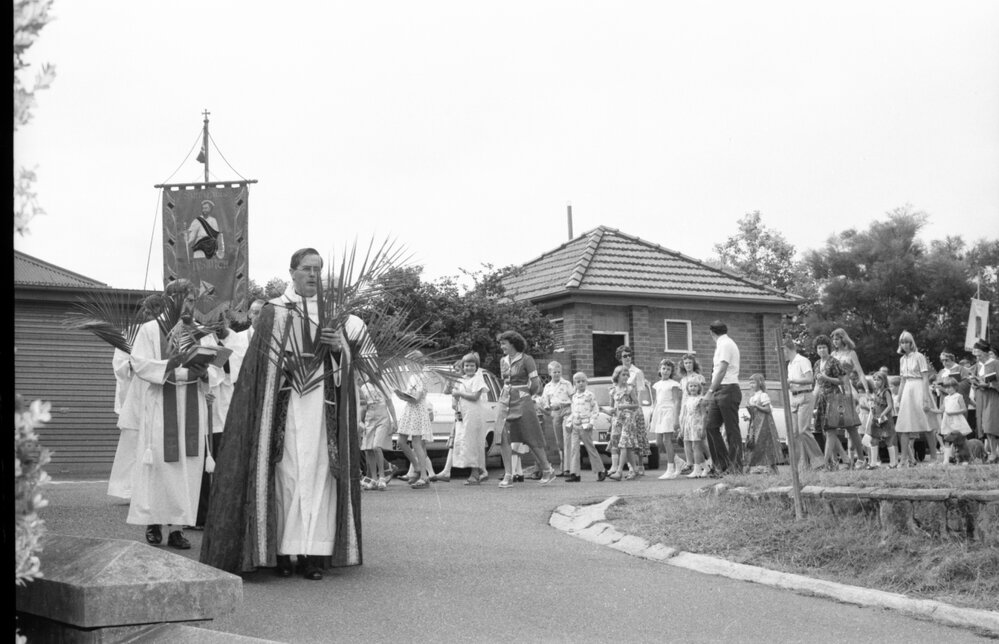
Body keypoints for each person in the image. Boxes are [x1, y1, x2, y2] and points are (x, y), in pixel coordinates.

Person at [200, 248, 367, 580]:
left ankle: (313, 554)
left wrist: (338, 348)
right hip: (284, 406)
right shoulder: (274, 311)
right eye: (306, 268)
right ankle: (282, 550)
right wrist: (285, 367)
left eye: (318, 269)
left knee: (320, 473)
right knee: (286, 475)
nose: (313, 275)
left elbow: (349, 366)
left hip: (322, 407)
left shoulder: (333, 314)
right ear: (292, 272)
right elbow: (258, 368)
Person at [122, 279, 222, 550]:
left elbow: (217, 368)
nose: (188, 305)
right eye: (184, 300)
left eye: (191, 300)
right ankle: (153, 523)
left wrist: (206, 372)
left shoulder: (200, 330)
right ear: (169, 300)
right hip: (161, 401)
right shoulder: (150, 329)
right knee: (159, 466)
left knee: (186, 468)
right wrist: (171, 363)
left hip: (191, 401)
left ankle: (177, 528)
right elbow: (139, 363)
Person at [495, 331, 558, 488]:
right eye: (501, 343)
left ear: (513, 343)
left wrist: (525, 395)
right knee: (502, 435)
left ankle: (547, 469)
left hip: (522, 400)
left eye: (504, 343)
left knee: (530, 435)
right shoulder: (503, 361)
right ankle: (508, 474)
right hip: (505, 399)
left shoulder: (527, 359)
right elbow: (505, 381)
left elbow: (535, 383)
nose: (501, 346)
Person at [704, 321, 743, 475]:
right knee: (711, 426)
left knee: (731, 429)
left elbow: (722, 369)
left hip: (729, 388)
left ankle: (736, 467)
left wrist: (710, 390)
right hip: (720, 390)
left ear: (711, 333)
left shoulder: (726, 344)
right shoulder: (721, 344)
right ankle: (723, 464)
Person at [895, 331, 939, 467]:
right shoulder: (902, 359)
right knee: (904, 425)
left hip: (920, 388)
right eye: (902, 342)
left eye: (907, 342)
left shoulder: (919, 357)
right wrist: (898, 398)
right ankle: (903, 459)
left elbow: (925, 377)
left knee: (927, 425)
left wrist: (926, 398)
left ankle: (933, 457)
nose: (905, 344)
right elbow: (902, 380)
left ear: (911, 342)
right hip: (907, 389)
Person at [830, 328, 869, 467]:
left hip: (847, 389)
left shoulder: (851, 353)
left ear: (843, 339)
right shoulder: (832, 354)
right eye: (833, 339)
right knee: (832, 426)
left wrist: (867, 390)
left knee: (851, 426)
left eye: (837, 338)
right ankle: (837, 459)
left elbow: (860, 372)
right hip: (834, 390)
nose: (835, 341)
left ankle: (861, 458)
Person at [783, 338, 824, 471]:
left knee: (803, 430)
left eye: (781, 351)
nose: (780, 355)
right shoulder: (790, 364)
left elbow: (809, 379)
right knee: (795, 433)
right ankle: (802, 466)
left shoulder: (802, 360)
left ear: (786, 349)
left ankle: (819, 461)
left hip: (805, 396)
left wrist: (791, 381)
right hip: (794, 398)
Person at [450, 352, 490, 485]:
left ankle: (475, 473)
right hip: (464, 414)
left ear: (476, 367)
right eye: (466, 365)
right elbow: (454, 394)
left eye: (472, 365)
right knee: (465, 442)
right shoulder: (461, 379)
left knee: (474, 443)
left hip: (474, 415)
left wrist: (459, 393)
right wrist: (455, 397)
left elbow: (475, 396)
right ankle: (478, 472)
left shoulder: (478, 379)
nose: (469, 368)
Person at [812, 335, 851, 470]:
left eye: (823, 347)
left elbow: (841, 380)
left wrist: (826, 377)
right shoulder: (817, 364)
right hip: (822, 399)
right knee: (828, 432)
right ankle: (845, 459)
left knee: (830, 431)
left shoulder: (834, 362)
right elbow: (817, 385)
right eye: (819, 348)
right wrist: (814, 403)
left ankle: (827, 462)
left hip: (833, 397)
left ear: (828, 348)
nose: (821, 350)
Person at [396, 359, 435, 489]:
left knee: (417, 442)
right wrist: (402, 395)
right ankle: (417, 466)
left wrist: (404, 396)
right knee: (401, 441)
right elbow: (410, 396)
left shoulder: (422, 377)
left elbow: (417, 398)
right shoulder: (412, 377)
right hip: (409, 409)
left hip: (418, 410)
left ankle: (424, 476)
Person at [564, 372, 607, 482]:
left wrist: (591, 423)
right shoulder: (574, 397)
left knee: (590, 448)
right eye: (578, 382)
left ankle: (600, 470)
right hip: (575, 425)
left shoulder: (589, 395)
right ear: (575, 383)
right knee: (574, 449)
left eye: (583, 381)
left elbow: (595, 410)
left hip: (585, 426)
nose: (581, 383)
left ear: (586, 382)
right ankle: (575, 473)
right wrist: (569, 422)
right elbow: (573, 412)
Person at [607, 365, 645, 481]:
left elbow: (636, 405)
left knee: (624, 444)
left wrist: (625, 406)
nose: (626, 377)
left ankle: (619, 471)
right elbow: (612, 407)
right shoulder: (612, 390)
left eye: (627, 375)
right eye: (623, 375)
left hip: (628, 419)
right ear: (617, 376)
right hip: (617, 420)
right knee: (626, 447)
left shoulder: (629, 389)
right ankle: (635, 470)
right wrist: (608, 412)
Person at [616, 345, 649, 475]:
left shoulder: (637, 372)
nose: (628, 358)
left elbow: (640, 392)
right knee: (625, 438)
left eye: (629, 355)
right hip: (623, 410)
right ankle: (631, 466)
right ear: (620, 358)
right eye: (625, 356)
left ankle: (640, 465)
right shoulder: (618, 371)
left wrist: (637, 409)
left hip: (634, 408)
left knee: (638, 436)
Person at [541, 361, 573, 477]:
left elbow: (573, 397)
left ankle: (568, 468)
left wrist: (572, 410)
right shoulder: (548, 387)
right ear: (550, 373)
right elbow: (544, 401)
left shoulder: (567, 384)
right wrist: (549, 409)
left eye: (559, 372)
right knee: (559, 442)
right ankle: (563, 466)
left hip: (567, 411)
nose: (557, 374)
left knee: (567, 438)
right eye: (554, 372)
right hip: (555, 413)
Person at [744, 373, 782, 474]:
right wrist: (748, 417)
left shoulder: (763, 395)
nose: (751, 385)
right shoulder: (753, 397)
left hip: (764, 425)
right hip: (756, 426)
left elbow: (768, 409)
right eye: (750, 383)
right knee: (754, 444)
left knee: (765, 444)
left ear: (759, 383)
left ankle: (770, 466)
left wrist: (757, 407)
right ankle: (753, 466)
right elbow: (755, 414)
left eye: (753, 383)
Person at [651, 359, 682, 479]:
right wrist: (653, 415)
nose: (665, 371)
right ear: (660, 369)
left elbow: (676, 400)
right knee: (659, 442)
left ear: (671, 372)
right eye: (664, 368)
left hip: (669, 411)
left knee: (667, 440)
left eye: (668, 369)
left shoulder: (673, 384)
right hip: (659, 412)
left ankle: (670, 469)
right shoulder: (657, 385)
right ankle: (678, 461)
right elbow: (656, 401)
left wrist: (676, 418)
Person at [970, 340, 999, 461]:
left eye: (979, 355)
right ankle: (992, 453)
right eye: (976, 355)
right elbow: (975, 380)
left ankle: (993, 452)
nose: (977, 357)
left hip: (993, 396)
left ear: (987, 353)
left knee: (990, 424)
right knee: (984, 425)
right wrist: (974, 382)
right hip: (981, 396)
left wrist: (989, 385)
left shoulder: (996, 363)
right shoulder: (978, 366)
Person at [862, 370, 897, 468]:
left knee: (888, 440)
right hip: (876, 419)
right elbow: (874, 404)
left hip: (885, 419)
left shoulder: (886, 392)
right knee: (874, 440)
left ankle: (893, 463)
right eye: (874, 380)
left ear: (884, 381)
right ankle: (873, 463)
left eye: (878, 380)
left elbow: (890, 406)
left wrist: (882, 414)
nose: (876, 382)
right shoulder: (876, 392)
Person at [679, 378, 710, 478]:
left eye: (695, 386)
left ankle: (697, 470)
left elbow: (704, 415)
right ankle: (706, 467)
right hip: (688, 425)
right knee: (691, 447)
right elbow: (684, 415)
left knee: (696, 447)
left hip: (697, 425)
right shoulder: (687, 400)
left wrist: (703, 428)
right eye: (691, 386)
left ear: (699, 388)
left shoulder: (700, 400)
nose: (693, 388)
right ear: (687, 388)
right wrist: (682, 428)